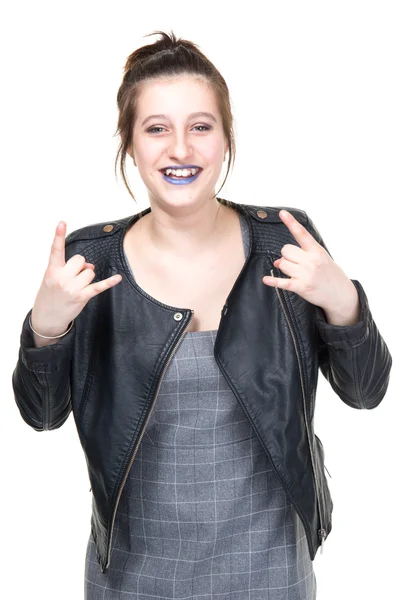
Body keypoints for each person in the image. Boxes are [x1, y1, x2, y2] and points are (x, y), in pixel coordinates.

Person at [12, 30, 392, 600]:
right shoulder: (89, 262)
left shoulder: (283, 241)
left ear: (225, 138)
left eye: (201, 126)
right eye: (157, 128)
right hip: (133, 580)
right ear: (131, 143)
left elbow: (367, 393)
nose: (181, 149)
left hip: (271, 574)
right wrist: (47, 328)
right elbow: (41, 418)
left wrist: (344, 302)